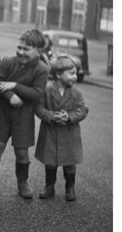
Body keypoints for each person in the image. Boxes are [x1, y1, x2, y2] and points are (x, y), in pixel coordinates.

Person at [0, 28, 49, 199]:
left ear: (38, 51)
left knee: (22, 152)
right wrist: (10, 96)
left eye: (26, 49)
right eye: (19, 47)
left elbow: (37, 94)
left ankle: (22, 183)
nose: (21, 52)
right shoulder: (8, 61)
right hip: (3, 112)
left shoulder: (42, 69)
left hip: (23, 116)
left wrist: (14, 86)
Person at [34, 54, 89, 201]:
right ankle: (49, 187)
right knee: (50, 162)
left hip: (69, 133)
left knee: (70, 163)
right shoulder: (46, 91)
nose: (75, 77)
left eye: (76, 73)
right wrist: (52, 116)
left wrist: (69, 116)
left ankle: (70, 188)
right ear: (58, 74)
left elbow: (83, 110)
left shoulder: (77, 93)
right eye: (71, 73)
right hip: (50, 132)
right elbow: (38, 108)